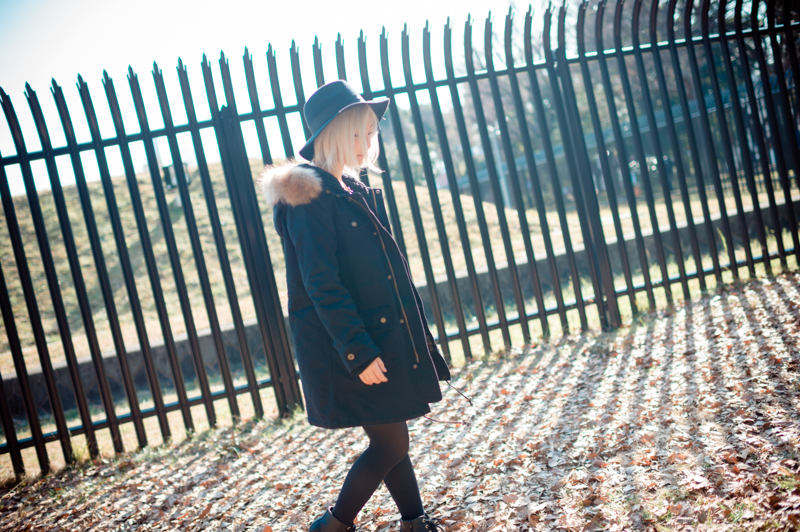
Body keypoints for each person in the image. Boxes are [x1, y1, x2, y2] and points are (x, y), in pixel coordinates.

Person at [259, 79, 450, 532]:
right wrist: (358, 352)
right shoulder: (309, 198)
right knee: (391, 442)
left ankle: (414, 521)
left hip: (377, 334)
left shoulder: (350, 189)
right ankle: (333, 525)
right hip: (350, 343)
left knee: (390, 431)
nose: (369, 143)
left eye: (371, 133)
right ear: (336, 133)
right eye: (360, 133)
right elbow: (322, 285)